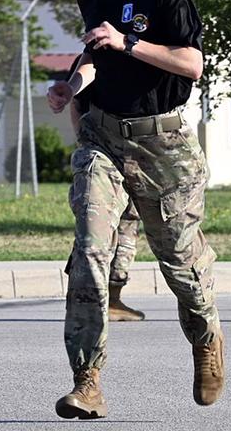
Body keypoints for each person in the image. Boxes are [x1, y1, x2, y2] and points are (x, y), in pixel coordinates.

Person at [47, 0, 225, 420]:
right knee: (88, 254)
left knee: (182, 265)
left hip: (163, 144)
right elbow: (95, 60)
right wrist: (70, 85)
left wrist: (128, 43)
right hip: (103, 138)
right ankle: (87, 381)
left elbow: (192, 64)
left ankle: (206, 339)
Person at [68, 54, 145, 322]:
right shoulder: (90, 60)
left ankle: (112, 296)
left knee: (122, 225)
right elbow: (77, 103)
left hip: (129, 154)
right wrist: (87, 142)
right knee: (100, 229)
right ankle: (97, 298)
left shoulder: (127, 56)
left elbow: (75, 106)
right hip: (107, 155)